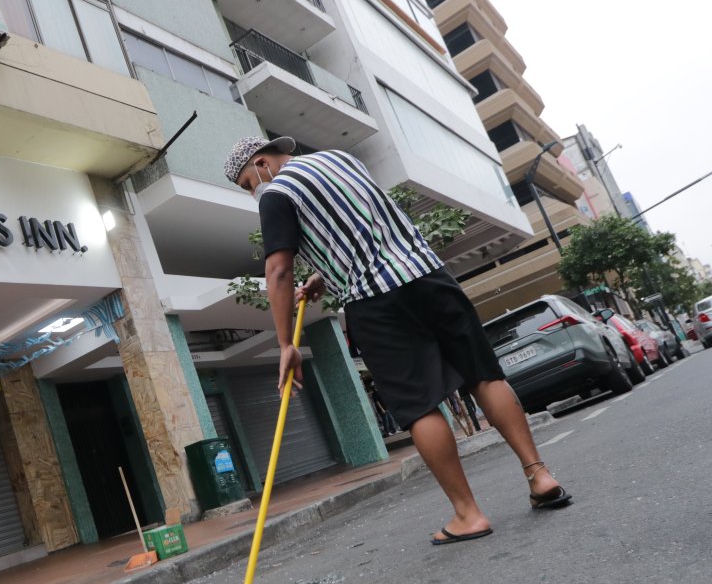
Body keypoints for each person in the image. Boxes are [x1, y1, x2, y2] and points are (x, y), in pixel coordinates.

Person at [223, 136, 572, 546]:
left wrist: (287, 344)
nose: (253, 192)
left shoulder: (276, 193)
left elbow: (279, 271)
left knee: (419, 405)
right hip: (429, 275)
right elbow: (363, 229)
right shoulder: (340, 159)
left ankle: (468, 514)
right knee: (484, 376)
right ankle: (539, 475)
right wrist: (323, 275)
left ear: (261, 163)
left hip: (375, 303)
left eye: (248, 184)